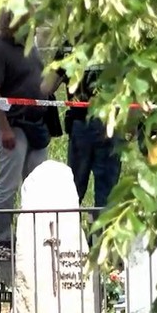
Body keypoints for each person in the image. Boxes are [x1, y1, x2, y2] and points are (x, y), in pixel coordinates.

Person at [0, 10, 63, 250]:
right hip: (14, 124)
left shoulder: (30, 49)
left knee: (38, 183)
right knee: (8, 184)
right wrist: (4, 128)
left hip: (37, 124)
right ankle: (0, 237)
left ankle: (35, 234)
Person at [54, 40, 122, 214]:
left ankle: (69, 229)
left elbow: (48, 86)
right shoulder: (115, 40)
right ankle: (102, 230)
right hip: (109, 124)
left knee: (74, 190)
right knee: (107, 192)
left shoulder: (69, 46)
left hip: (81, 125)